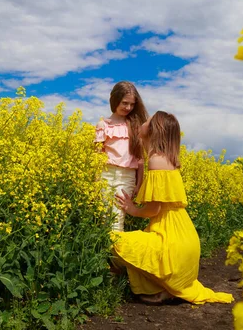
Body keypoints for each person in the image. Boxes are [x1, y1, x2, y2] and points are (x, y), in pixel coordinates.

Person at [112, 111, 234, 305]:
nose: (144, 121)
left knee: (114, 242)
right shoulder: (164, 158)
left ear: (154, 130)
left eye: (148, 120)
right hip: (183, 235)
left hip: (172, 239)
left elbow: (154, 210)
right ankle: (167, 289)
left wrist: (132, 209)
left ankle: (169, 288)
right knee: (138, 251)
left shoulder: (157, 161)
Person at [95, 81, 148, 232]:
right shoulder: (103, 125)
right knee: (104, 218)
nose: (128, 108)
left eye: (132, 104)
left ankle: (117, 254)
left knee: (117, 219)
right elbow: (98, 156)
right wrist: (96, 180)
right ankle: (106, 253)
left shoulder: (135, 126)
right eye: (125, 103)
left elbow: (140, 160)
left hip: (127, 176)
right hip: (106, 174)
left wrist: (139, 183)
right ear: (115, 100)